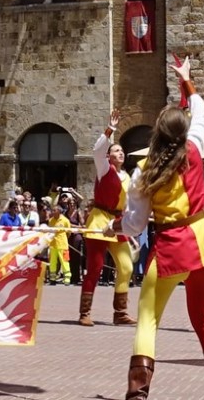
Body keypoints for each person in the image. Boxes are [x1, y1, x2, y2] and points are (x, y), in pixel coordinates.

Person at [116, 58, 204, 400]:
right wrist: (186, 80)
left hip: (171, 247)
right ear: (183, 131)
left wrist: (116, 226)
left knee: (148, 318)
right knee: (202, 319)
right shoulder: (194, 148)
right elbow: (201, 111)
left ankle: (138, 394)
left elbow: (135, 223)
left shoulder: (144, 170)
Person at [79, 111, 137, 326]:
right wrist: (110, 129)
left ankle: (120, 313)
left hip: (118, 223)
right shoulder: (104, 169)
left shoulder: (128, 177)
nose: (120, 153)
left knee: (127, 266)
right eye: (115, 150)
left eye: (122, 150)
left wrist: (130, 232)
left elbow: (129, 206)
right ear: (109, 156)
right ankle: (85, 312)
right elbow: (97, 149)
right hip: (99, 220)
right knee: (95, 267)